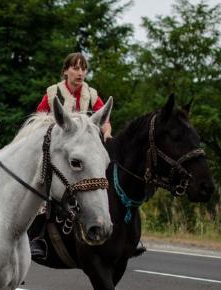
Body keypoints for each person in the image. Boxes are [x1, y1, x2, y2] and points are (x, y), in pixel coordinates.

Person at [30, 52, 146, 259]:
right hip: (58, 148)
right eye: (75, 68)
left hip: (85, 147)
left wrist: (107, 132)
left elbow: (105, 119)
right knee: (43, 188)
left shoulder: (92, 94)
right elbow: (40, 120)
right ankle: (36, 237)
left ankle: (128, 235)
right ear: (66, 71)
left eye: (83, 69)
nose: (80, 73)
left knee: (109, 179)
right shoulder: (52, 93)